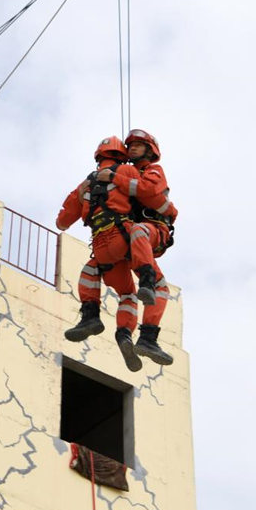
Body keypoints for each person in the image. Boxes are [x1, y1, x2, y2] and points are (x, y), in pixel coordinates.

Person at [57, 136, 143, 372]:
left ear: (99, 157)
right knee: (128, 294)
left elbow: (62, 221)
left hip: (100, 246)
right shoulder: (128, 171)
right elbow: (149, 196)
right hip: (123, 237)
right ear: (121, 156)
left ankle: (90, 316)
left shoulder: (84, 185)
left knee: (89, 271)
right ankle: (125, 334)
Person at [99, 129, 178, 365]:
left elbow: (149, 191)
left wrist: (114, 178)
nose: (132, 148)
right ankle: (133, 336)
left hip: (153, 231)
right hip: (130, 240)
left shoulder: (154, 171)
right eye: (130, 145)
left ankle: (146, 284)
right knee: (152, 288)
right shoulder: (124, 172)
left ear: (149, 150)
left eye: (139, 145)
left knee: (139, 232)